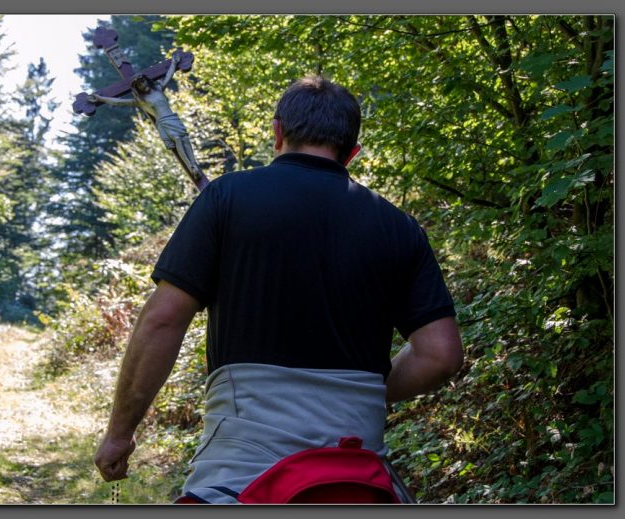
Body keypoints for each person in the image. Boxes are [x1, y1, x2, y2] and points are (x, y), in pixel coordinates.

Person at [93, 75, 464, 503]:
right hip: (357, 482)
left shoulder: (226, 198)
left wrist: (120, 433)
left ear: (277, 132)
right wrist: (368, 393)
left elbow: (163, 320)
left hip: (240, 478)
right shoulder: (399, 226)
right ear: (352, 152)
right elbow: (441, 356)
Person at [88, 52, 207, 189]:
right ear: (137, 88)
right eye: (139, 85)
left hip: (173, 117)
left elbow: (168, 75)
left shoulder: (158, 89)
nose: (142, 84)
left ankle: (194, 164)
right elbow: (118, 102)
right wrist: (101, 99)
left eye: (143, 81)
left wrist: (174, 64)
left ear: (147, 81)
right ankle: (191, 166)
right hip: (164, 122)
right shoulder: (141, 101)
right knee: (177, 139)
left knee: (185, 138)